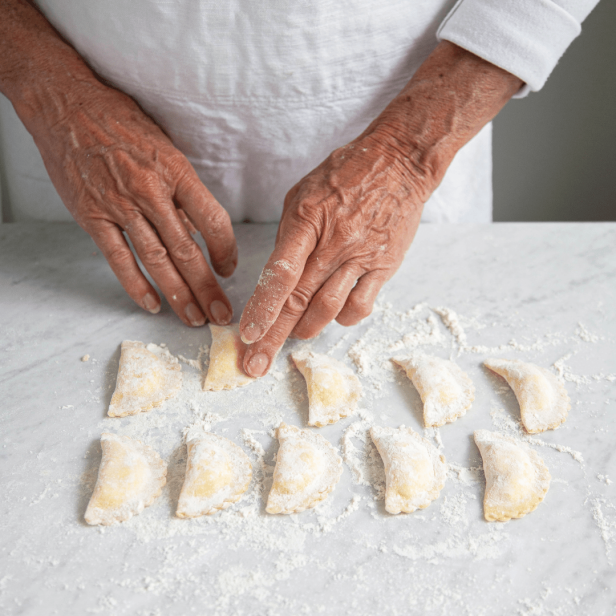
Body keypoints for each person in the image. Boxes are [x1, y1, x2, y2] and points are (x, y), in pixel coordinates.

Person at [0, 0, 599, 378]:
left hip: (403, 113)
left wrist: (408, 153)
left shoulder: (408, 151)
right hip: (78, 129)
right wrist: (51, 93)